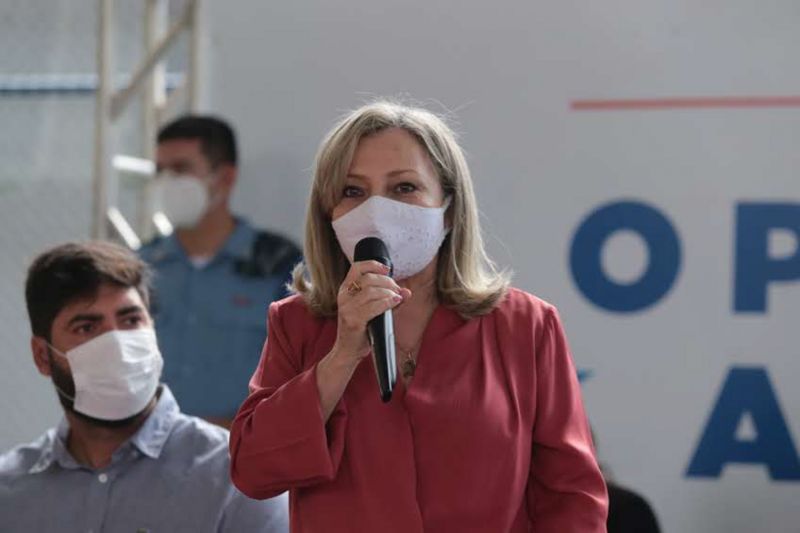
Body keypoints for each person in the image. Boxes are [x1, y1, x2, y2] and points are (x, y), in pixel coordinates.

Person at [229, 101, 608, 532]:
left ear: (447, 209)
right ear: (329, 215)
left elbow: (571, 497)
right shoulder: (297, 323)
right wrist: (341, 356)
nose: (376, 209)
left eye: (404, 187)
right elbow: (253, 471)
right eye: (353, 191)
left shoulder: (526, 325)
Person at [0, 241, 288, 532]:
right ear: (42, 357)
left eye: (130, 319)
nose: (118, 345)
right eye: (86, 327)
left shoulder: (238, 479)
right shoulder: (11, 491)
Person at [140, 115, 302, 427]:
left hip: (244, 457)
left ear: (225, 178)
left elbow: (304, 374)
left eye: (181, 169)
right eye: (160, 171)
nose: (166, 182)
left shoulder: (278, 265)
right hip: (153, 457)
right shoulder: (140, 268)